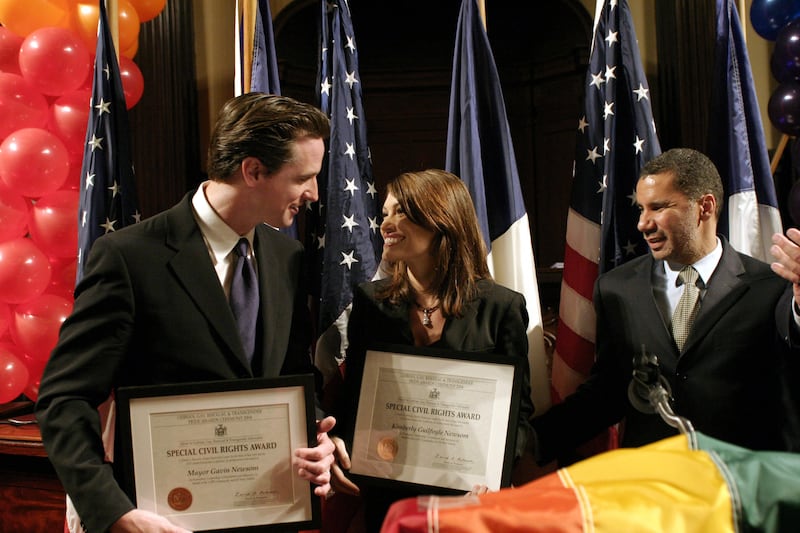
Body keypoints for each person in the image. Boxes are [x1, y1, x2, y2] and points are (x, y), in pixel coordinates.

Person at [35, 93, 337, 533]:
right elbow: (64, 399)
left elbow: (294, 378)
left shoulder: (286, 257)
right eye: (304, 178)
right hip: (161, 521)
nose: (313, 193)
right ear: (253, 170)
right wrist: (114, 512)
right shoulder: (129, 258)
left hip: (268, 512)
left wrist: (316, 437)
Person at [531, 147, 800, 466]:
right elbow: (608, 394)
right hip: (655, 487)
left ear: (705, 207)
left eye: (658, 208)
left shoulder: (771, 286)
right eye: (642, 209)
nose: (643, 224)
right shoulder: (617, 288)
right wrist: (523, 443)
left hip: (739, 486)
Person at [328, 169, 535, 531]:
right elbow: (356, 397)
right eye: (385, 213)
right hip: (390, 495)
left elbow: (518, 413)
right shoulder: (369, 303)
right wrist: (342, 444)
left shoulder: (501, 307)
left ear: (442, 219)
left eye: (400, 212)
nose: (385, 224)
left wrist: (495, 470)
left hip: (469, 498)